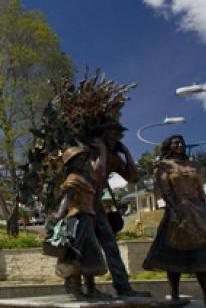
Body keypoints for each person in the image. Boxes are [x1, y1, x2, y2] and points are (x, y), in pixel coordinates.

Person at [142, 135, 206, 304]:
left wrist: (204, 212)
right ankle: (174, 294)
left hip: (198, 212)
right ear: (169, 146)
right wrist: (175, 211)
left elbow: (200, 190)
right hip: (177, 211)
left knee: (203, 253)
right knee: (173, 253)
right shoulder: (163, 166)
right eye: (176, 143)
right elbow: (165, 191)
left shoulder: (195, 166)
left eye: (182, 142)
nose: (180, 145)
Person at [88, 120, 149, 297]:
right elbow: (98, 174)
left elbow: (133, 178)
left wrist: (127, 153)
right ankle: (84, 288)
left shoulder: (113, 157)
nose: (117, 137)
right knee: (84, 246)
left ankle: (123, 287)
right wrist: (102, 150)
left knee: (110, 245)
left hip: (97, 205)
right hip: (81, 204)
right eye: (114, 133)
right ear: (104, 134)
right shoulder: (89, 153)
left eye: (119, 135)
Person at [53, 145, 108, 298]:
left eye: (84, 158)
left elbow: (99, 172)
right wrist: (58, 214)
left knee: (90, 254)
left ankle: (91, 288)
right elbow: (67, 197)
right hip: (77, 219)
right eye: (79, 159)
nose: (83, 161)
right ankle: (76, 290)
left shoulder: (85, 177)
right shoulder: (73, 178)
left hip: (87, 217)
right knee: (76, 253)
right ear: (71, 163)